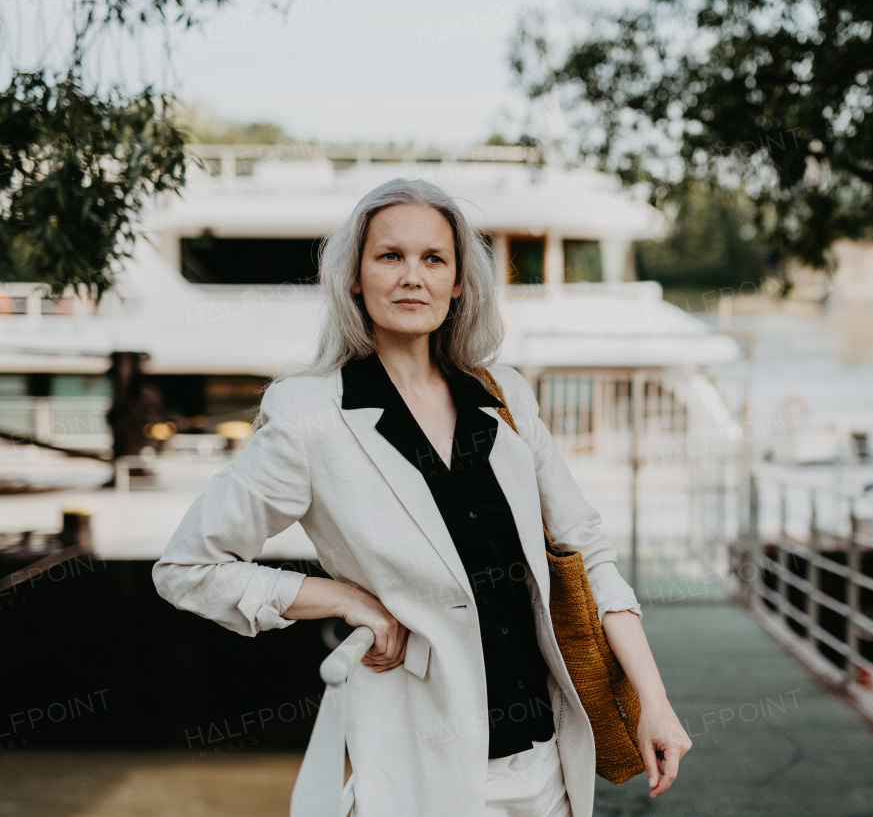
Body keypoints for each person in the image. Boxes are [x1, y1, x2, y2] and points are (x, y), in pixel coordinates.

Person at [152, 177, 692, 816]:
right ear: (355, 277)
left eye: (433, 259)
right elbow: (186, 569)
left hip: (549, 769)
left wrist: (653, 701)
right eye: (390, 257)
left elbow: (588, 554)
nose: (413, 276)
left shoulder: (505, 399)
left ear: (460, 281)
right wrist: (343, 598)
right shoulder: (308, 414)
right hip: (419, 776)